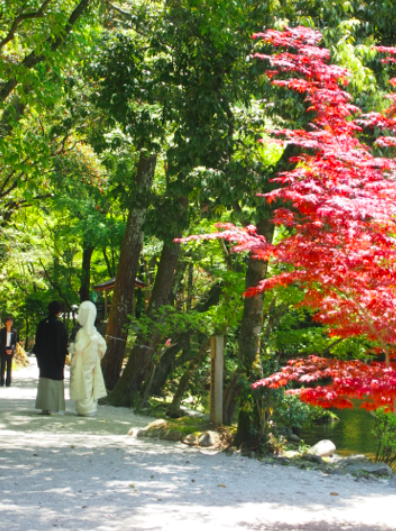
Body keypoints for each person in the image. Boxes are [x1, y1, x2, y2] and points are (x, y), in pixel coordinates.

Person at [69, 301, 107, 416]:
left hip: (82, 361)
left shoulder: (82, 332)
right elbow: (103, 346)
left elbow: (77, 347)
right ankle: (90, 407)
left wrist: (71, 347)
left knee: (82, 382)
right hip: (92, 361)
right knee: (90, 382)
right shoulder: (95, 332)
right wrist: (97, 355)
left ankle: (83, 408)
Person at [32, 301, 68, 415]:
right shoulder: (58, 324)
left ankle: (44, 406)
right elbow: (61, 342)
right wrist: (62, 356)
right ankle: (53, 407)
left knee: (45, 381)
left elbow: (37, 342)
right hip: (55, 358)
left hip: (43, 359)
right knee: (54, 382)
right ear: (58, 311)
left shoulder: (42, 323)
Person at [0, 316, 18, 387]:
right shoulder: (2, 331)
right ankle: (1, 382)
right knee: (2, 366)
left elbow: (14, 342)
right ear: (5, 322)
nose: (10, 323)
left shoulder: (14, 331)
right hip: (3, 350)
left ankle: (8, 382)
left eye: (11, 321)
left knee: (9, 366)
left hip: (10, 350)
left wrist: (11, 350)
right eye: (8, 321)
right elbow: (1, 342)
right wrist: (5, 349)